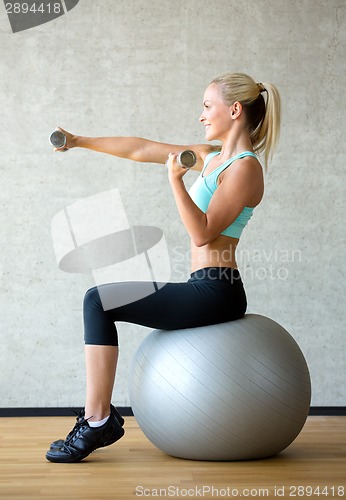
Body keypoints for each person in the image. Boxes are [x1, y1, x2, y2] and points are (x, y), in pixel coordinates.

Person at [46, 72, 281, 463]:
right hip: (202, 283)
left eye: (208, 106)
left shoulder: (244, 168)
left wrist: (174, 182)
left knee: (98, 301)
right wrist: (80, 141)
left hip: (218, 290)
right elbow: (142, 148)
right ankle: (97, 419)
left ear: (235, 109)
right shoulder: (210, 156)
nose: (202, 116)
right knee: (99, 301)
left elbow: (203, 233)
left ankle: (97, 420)